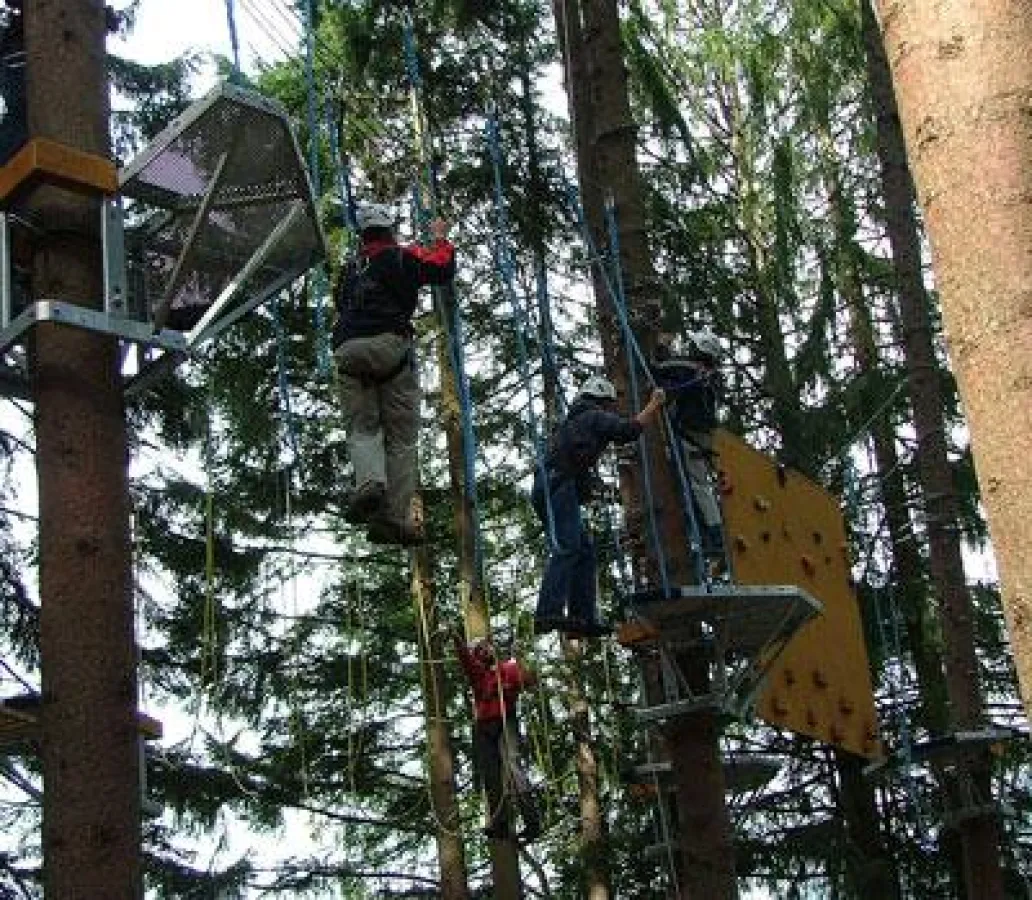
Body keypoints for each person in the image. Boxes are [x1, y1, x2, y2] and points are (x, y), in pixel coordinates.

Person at [332, 202, 455, 546]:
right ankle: (392, 516)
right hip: (388, 346)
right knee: (401, 438)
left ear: (362, 236)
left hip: (347, 350)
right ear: (389, 231)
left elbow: (341, 305)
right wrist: (441, 238)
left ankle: (369, 482)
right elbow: (442, 269)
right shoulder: (399, 258)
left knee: (362, 426)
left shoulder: (350, 269)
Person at [532, 376, 665, 637]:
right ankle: (547, 611)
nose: (612, 411)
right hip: (559, 486)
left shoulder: (573, 423)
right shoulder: (594, 416)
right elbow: (629, 430)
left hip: (550, 487)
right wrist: (655, 404)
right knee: (569, 547)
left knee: (584, 551)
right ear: (602, 401)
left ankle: (582, 618)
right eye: (610, 406)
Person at [452, 628, 541, 842]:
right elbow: (466, 660)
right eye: (480, 649)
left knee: (513, 767)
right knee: (491, 776)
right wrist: (457, 640)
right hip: (485, 726)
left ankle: (532, 821)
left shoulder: (507, 668)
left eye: (486, 647)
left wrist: (520, 663)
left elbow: (529, 681)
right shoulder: (478, 674)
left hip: (504, 720)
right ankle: (499, 822)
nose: (485, 651)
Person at [651, 329, 725, 558]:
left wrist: (661, 347)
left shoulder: (692, 370)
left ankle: (713, 535)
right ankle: (707, 535)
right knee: (694, 485)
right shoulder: (706, 375)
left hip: (691, 438)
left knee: (696, 485)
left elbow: (658, 367)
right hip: (698, 438)